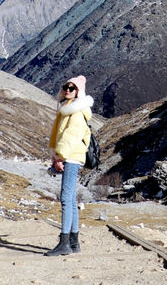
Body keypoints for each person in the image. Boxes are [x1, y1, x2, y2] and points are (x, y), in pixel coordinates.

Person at [46, 74, 93, 256]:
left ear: (78, 92)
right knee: (71, 199)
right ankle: (74, 242)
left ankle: (64, 242)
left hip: (71, 157)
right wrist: (56, 155)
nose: (67, 90)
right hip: (71, 157)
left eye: (72, 88)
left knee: (66, 198)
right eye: (66, 86)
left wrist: (60, 157)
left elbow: (70, 136)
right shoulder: (68, 108)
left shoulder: (75, 111)